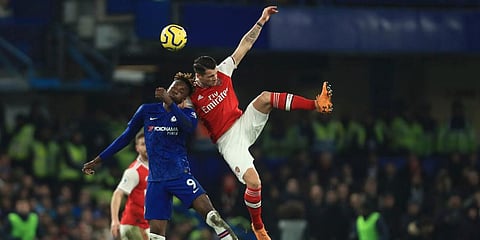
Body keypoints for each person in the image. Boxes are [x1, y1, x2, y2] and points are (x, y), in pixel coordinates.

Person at [158, 5, 333, 240]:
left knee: (265, 98)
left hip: (243, 122)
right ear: (199, 76)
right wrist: (169, 95)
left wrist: (261, 20)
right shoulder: (192, 97)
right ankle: (259, 228)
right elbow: (173, 107)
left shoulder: (223, 71)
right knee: (254, 182)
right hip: (228, 141)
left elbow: (246, 44)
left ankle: (316, 104)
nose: (215, 78)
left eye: (214, 74)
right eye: (209, 77)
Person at [82, 72, 238, 240]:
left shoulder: (188, 114)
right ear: (168, 87)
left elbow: (188, 128)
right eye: (175, 85)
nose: (177, 89)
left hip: (179, 175)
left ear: (185, 98)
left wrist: (170, 103)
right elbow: (124, 138)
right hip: (156, 181)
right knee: (155, 235)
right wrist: (99, 159)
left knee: (211, 216)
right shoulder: (147, 110)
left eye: (183, 89)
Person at [110, 131, 149, 240]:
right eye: (143, 144)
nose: (147, 147)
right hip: (133, 224)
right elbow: (118, 194)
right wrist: (115, 220)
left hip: (146, 224)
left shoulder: (157, 168)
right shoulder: (134, 171)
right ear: (137, 148)